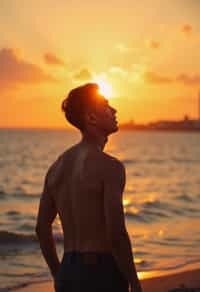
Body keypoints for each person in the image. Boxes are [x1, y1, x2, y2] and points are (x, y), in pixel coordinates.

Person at [35, 83, 142, 292]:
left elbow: (41, 228)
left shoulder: (57, 167)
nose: (114, 110)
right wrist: (135, 283)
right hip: (101, 272)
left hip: (68, 270)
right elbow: (116, 234)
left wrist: (58, 274)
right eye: (106, 105)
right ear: (91, 118)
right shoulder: (110, 167)